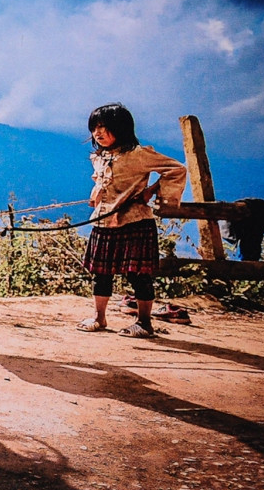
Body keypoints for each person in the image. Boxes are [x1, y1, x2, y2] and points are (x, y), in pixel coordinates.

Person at [76, 103, 187, 338]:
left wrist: (153, 190)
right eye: (95, 127)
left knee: (138, 275)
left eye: (105, 127)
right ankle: (99, 317)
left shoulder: (139, 155)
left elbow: (176, 169)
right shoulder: (99, 157)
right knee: (101, 273)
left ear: (122, 128)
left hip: (135, 222)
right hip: (104, 222)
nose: (99, 133)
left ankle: (144, 323)